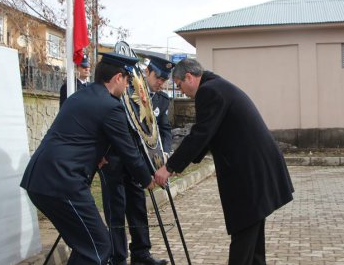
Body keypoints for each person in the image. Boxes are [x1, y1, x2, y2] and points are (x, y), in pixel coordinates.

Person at [154, 58, 294, 265]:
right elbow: (210, 134)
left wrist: (170, 167)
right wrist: (182, 163)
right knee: (253, 237)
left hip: (250, 173)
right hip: (256, 169)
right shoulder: (216, 86)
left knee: (244, 233)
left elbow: (201, 134)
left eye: (179, 85)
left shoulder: (209, 91)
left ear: (189, 77)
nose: (181, 91)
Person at [21, 52, 156, 265]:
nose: (128, 85)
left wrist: (96, 156)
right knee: (99, 246)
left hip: (40, 180)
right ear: (118, 78)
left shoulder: (80, 96)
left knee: (88, 245)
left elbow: (78, 137)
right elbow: (129, 152)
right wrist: (148, 179)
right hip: (63, 183)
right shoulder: (111, 106)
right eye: (128, 79)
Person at [99, 56, 175, 265]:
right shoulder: (126, 90)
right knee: (115, 210)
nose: (160, 82)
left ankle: (141, 254)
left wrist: (165, 151)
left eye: (164, 80)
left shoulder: (161, 99)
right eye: (158, 77)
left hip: (139, 163)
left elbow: (163, 129)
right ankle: (118, 257)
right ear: (147, 72)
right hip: (113, 160)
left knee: (138, 208)